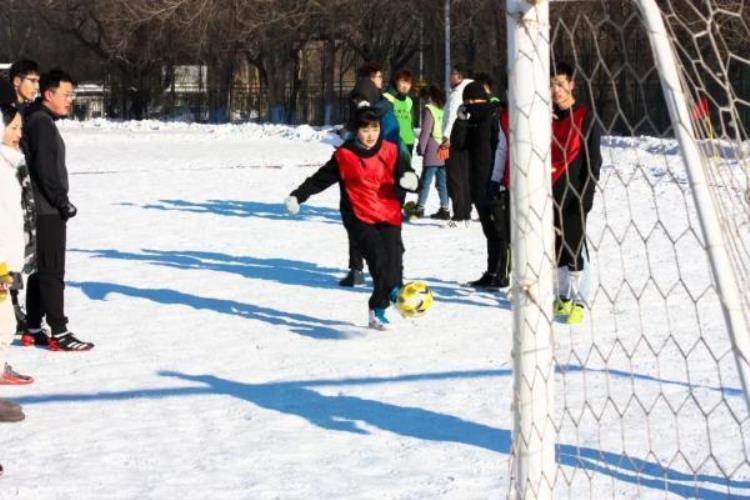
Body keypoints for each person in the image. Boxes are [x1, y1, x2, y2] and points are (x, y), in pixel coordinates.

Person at [285, 107, 419, 330]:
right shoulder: (344, 155)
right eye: (365, 129)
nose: (370, 134)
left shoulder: (391, 150)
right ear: (356, 130)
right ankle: (396, 295)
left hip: (388, 213)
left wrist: (411, 180)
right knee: (378, 260)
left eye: (374, 128)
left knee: (395, 263)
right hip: (359, 217)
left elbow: (408, 173)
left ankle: (378, 309)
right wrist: (298, 196)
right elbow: (320, 179)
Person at [21, 68, 94, 350]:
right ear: (48, 94)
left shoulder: (36, 118)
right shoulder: (41, 123)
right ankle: (59, 332)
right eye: (66, 95)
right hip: (46, 208)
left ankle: (33, 327)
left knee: (41, 269)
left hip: (39, 206)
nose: (69, 101)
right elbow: (45, 170)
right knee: (52, 270)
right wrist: (61, 202)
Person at [339, 63, 404, 287]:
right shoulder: (375, 102)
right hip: (377, 171)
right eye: (378, 77)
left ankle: (366, 269)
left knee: (364, 222)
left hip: (374, 172)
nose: (380, 80)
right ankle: (383, 270)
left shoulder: (378, 106)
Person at [550, 62, 602, 324]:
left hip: (575, 196)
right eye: (551, 85)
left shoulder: (585, 115)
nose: (556, 90)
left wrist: (587, 195)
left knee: (575, 248)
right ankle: (563, 296)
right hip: (550, 194)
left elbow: (594, 161)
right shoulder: (546, 117)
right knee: (556, 248)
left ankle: (580, 300)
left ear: (571, 84)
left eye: (560, 84)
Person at [451, 81, 510, 288]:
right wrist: (460, 120)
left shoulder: (493, 118)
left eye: (472, 101)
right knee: (488, 230)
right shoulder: (470, 121)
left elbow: (501, 149)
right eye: (465, 101)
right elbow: (457, 144)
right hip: (477, 183)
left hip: (494, 183)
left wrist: (500, 180)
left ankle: (503, 273)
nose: (469, 105)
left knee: (500, 230)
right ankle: (491, 271)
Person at [0, 105, 32, 424]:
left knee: (5, 326)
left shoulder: (7, 165)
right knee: (2, 326)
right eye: (12, 128)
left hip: (4, 266)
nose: (18, 135)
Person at [7, 59, 40, 337]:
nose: (36, 87)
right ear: (16, 80)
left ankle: (14, 306)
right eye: (31, 80)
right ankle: (10, 307)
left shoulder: (28, 111)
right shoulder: (8, 110)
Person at [440, 65, 474, 227]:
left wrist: (446, 137)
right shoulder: (470, 90)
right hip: (466, 139)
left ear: (459, 76)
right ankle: (466, 211)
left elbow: (451, 117)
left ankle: (459, 214)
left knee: (454, 178)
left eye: (452, 74)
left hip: (453, 139)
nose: (450, 77)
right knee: (465, 177)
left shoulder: (457, 94)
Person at [414, 84, 450, 220]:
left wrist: (421, 147)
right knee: (442, 181)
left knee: (426, 180)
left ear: (428, 96)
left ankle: (420, 207)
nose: (423, 101)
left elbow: (426, 131)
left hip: (432, 148)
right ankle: (445, 208)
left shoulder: (429, 109)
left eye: (423, 97)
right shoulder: (443, 109)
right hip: (443, 147)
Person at [383, 69, 416, 157]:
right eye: (403, 82)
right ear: (396, 81)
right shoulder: (386, 97)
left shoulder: (409, 101)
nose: (405, 86)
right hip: (391, 143)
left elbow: (411, 123)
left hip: (407, 143)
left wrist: (411, 141)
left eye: (408, 83)